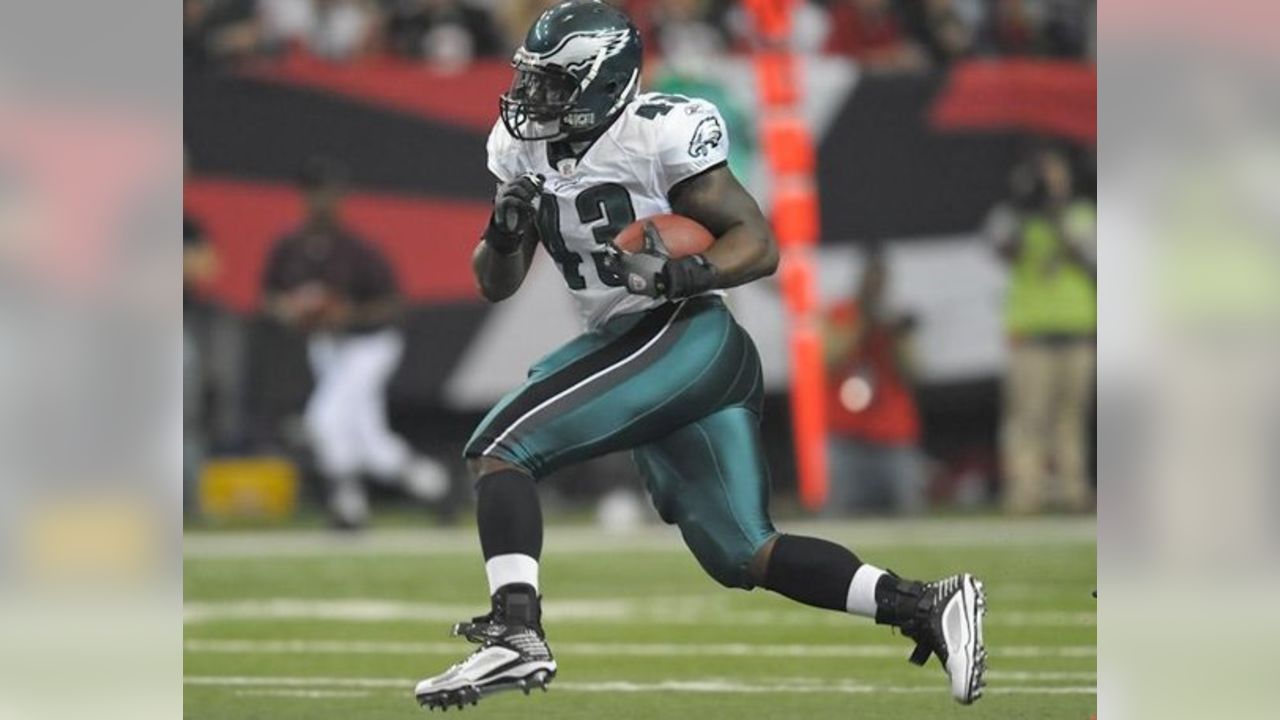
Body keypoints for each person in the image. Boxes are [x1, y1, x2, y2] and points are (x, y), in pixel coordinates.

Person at [412, 1, 985, 710]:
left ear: (602, 81)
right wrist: (502, 232)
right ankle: (925, 602)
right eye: (533, 80)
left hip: (688, 332)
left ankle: (515, 631)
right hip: (635, 347)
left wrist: (684, 272)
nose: (534, 98)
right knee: (744, 553)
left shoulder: (658, 133)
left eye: (555, 83)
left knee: (501, 447)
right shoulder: (521, 146)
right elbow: (494, 285)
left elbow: (757, 242)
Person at [262, 156, 449, 528]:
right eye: (313, 192)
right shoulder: (290, 247)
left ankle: (349, 509)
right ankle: (437, 487)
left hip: (370, 345)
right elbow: (271, 297)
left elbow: (394, 305)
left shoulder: (357, 250)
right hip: (325, 347)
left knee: (325, 418)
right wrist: (292, 311)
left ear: (339, 197)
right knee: (369, 441)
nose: (320, 200)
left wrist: (348, 314)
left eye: (327, 193)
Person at [988, 146, 1096, 514]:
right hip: (1030, 337)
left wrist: (1055, 212)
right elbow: (1001, 247)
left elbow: (1089, 255)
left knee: (1071, 418)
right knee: (1028, 418)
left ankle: (1073, 491)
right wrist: (1024, 203)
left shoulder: (1081, 214)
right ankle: (1025, 494)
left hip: (1075, 333)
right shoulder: (1016, 215)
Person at [823, 244, 927, 515]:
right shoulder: (842, 313)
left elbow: (914, 372)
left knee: (910, 513)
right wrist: (862, 323)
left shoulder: (894, 318)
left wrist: (895, 336)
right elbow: (828, 360)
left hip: (892, 435)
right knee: (837, 514)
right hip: (845, 434)